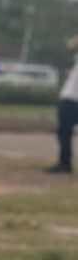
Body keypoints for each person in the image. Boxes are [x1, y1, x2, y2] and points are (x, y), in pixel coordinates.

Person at [46, 33, 78, 175]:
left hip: (72, 100)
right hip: (70, 98)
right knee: (63, 132)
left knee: (64, 132)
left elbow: (71, 44)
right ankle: (64, 162)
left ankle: (65, 164)